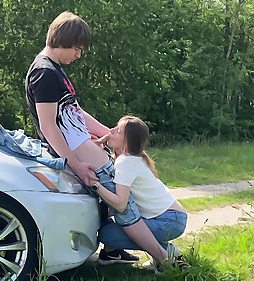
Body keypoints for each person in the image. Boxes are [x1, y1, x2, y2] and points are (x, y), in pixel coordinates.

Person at [25, 11, 169, 266]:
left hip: (85, 148)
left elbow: (75, 112)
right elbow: (48, 126)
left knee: (117, 205)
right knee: (126, 208)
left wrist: (107, 133)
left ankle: (113, 251)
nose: (79, 55)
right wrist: (75, 165)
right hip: (77, 154)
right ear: (63, 40)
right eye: (77, 49)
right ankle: (164, 258)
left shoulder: (55, 69)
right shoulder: (45, 73)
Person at [92, 116, 190, 272]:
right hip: (173, 217)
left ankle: (167, 253)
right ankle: (161, 254)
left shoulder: (125, 162)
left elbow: (120, 204)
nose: (110, 131)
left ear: (128, 142)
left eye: (118, 131)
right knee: (112, 225)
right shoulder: (130, 159)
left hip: (168, 220)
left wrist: (96, 186)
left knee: (107, 234)